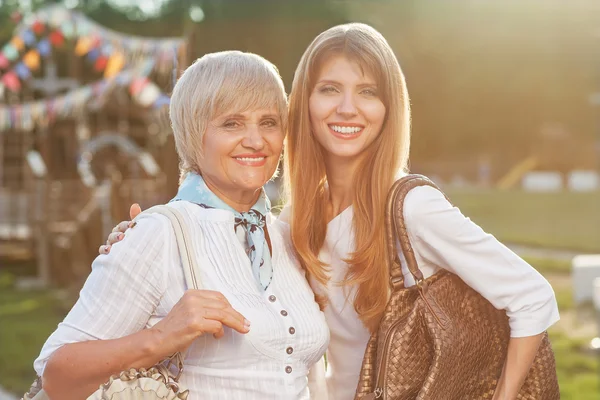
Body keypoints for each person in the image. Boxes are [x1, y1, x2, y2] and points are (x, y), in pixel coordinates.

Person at [101, 23, 559, 400]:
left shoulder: (411, 206)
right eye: (330, 89)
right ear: (304, 104)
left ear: (388, 107)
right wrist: (140, 236)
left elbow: (532, 297)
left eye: (367, 91)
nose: (347, 108)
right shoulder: (293, 222)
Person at [34, 51, 329, 400]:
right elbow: (56, 375)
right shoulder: (158, 233)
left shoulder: (287, 237)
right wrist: (161, 337)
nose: (255, 140)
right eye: (231, 123)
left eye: (268, 122)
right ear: (194, 133)